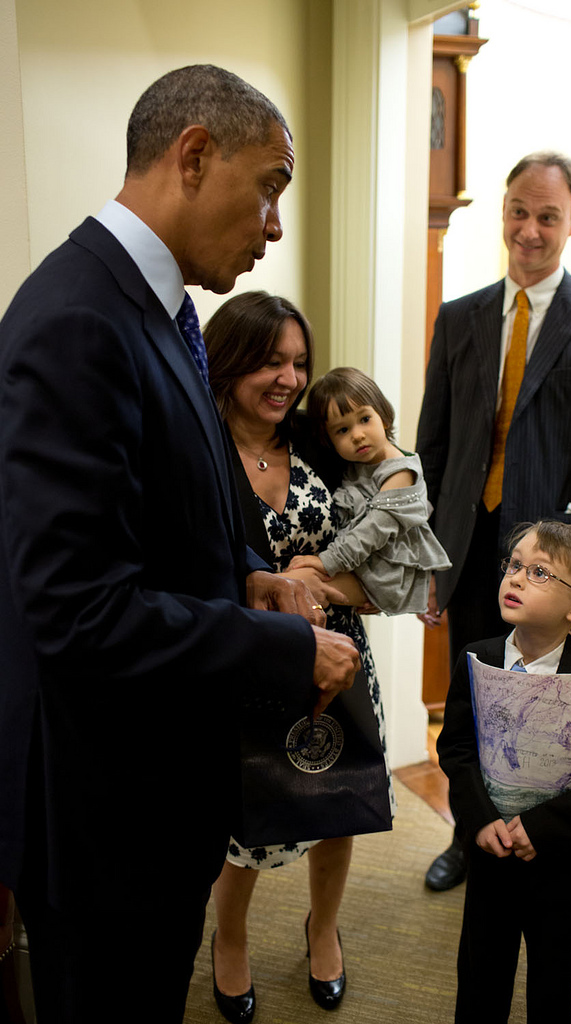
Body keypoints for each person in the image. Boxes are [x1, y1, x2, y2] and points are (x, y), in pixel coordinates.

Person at [0, 66, 360, 1024]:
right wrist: (283, 647)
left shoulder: (157, 312)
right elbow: (80, 609)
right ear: (193, 156)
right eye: (270, 186)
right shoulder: (80, 319)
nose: (274, 224)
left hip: (152, 795)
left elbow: (147, 529)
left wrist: (246, 580)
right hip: (102, 810)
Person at [416, 151, 571, 891]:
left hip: (548, 563)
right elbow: (432, 447)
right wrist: (424, 558)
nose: (529, 229)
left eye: (547, 215)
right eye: (518, 210)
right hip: (465, 542)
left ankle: (531, 835)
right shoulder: (458, 318)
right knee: (471, 697)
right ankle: (464, 834)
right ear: (503, 211)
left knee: (537, 709)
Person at [204, 292, 395, 1021]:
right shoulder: (201, 449)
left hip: (339, 655)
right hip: (246, 659)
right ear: (229, 361)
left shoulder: (320, 442)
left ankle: (323, 928)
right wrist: (278, 595)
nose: (288, 378)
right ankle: (229, 939)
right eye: (270, 361)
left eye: (298, 363)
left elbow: (391, 567)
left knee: (337, 805)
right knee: (241, 821)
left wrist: (318, 581)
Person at [437, 520, 571, 1024]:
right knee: (480, 977)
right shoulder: (474, 658)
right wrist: (479, 819)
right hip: (491, 855)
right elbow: (457, 747)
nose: (516, 577)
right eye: (514, 565)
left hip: (562, 864)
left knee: (552, 988)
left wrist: (543, 827)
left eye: (540, 572)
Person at [288, 366, 451, 615]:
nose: (357, 435)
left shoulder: (400, 472)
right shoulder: (355, 465)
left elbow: (372, 531)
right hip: (360, 563)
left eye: (365, 419)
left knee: (293, 585)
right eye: (342, 430)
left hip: (386, 574)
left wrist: (326, 561)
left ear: (383, 416)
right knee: (292, 583)